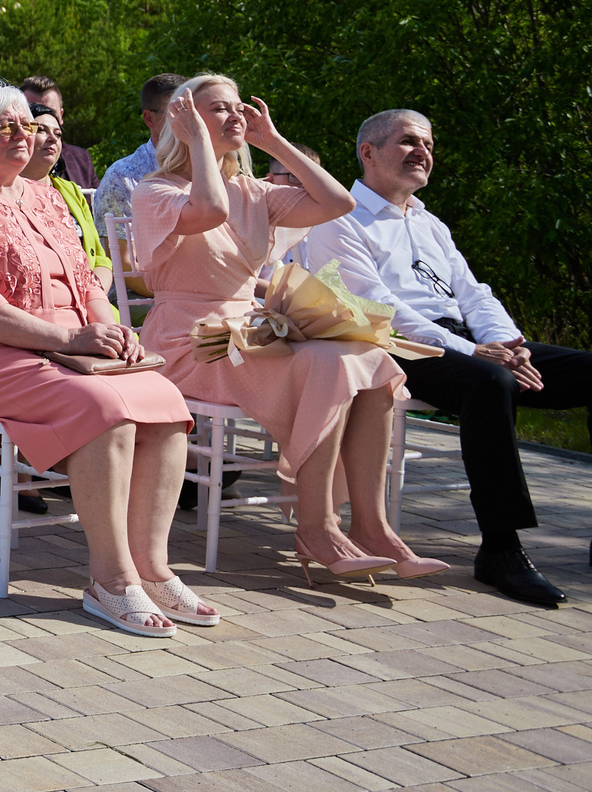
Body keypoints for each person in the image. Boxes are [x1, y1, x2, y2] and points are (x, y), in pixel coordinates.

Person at [299, 109, 592, 608]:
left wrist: (510, 343)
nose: (423, 152)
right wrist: (475, 352)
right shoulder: (341, 219)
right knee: (489, 383)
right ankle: (501, 549)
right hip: (400, 348)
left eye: (429, 144)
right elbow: (379, 308)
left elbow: (473, 293)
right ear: (367, 152)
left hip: (473, 344)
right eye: (408, 141)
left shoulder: (428, 221)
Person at [0, 82, 206, 639]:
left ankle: (152, 567)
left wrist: (114, 330)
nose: (23, 135)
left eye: (28, 124)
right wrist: (69, 342)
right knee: (104, 406)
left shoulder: (46, 196)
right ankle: (111, 581)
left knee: (165, 401)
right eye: (6, 126)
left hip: (69, 348)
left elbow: (86, 283)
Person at [133, 76, 432, 588]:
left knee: (373, 360)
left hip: (250, 329)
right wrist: (199, 142)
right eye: (218, 110)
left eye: (237, 108)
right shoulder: (156, 189)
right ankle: (317, 526)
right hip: (189, 341)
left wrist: (271, 141)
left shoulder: (256, 192)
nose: (234, 117)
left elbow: (340, 203)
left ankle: (372, 524)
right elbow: (210, 211)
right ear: (184, 121)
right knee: (326, 363)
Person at [90, 72, 186, 262]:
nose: (188, 121)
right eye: (176, 113)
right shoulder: (122, 177)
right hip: (148, 290)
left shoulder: (213, 167)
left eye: (192, 112)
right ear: (149, 119)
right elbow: (126, 265)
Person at [22, 105, 109, 275]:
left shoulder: (71, 191)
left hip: (91, 292)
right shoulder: (4, 191)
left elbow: (100, 258)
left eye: (58, 134)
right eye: (41, 130)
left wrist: (95, 296)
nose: (52, 138)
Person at [20, 76, 97, 187]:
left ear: (61, 115)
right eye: (33, 111)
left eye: (51, 112)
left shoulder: (82, 159)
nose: (45, 116)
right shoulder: (1, 172)